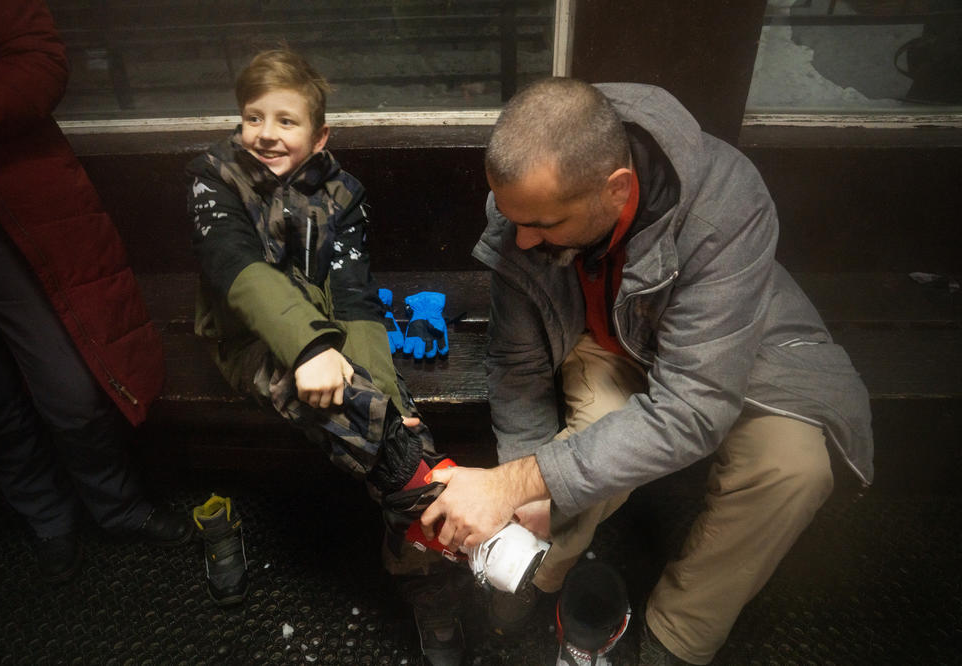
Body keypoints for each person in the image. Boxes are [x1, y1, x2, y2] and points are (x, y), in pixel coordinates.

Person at [420, 77, 874, 664]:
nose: (523, 241)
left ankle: (673, 639)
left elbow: (693, 408)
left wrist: (514, 483)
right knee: (563, 462)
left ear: (617, 189)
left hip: (723, 349)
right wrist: (522, 484)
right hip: (605, 344)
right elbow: (517, 362)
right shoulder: (523, 207)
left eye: (546, 226)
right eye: (515, 221)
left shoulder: (728, 201)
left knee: (794, 470)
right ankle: (533, 576)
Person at [186, 48, 468, 664]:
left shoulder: (343, 196)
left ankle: (426, 567)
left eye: (285, 121)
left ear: (319, 137)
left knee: (392, 420)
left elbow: (356, 299)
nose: (265, 133)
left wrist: (386, 395)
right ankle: (439, 520)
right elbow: (239, 271)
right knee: (373, 433)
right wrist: (309, 346)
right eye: (252, 117)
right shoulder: (215, 180)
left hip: (333, 333)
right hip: (249, 334)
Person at [0, 0, 193, 585]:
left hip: (5, 213)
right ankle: (48, 521)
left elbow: (39, 62)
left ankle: (118, 510)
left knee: (71, 387)